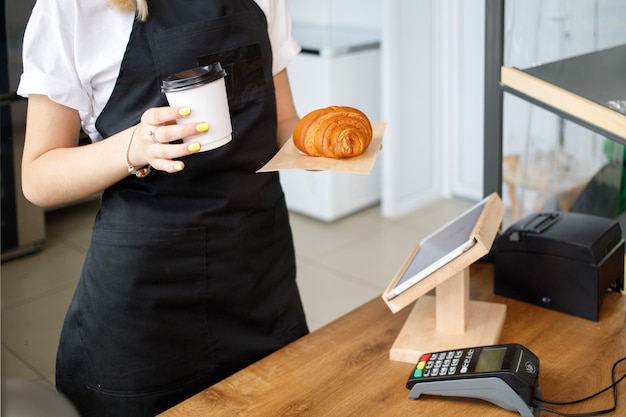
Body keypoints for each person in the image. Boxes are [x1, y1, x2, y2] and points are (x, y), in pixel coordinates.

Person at [17, 0, 309, 415]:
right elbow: (38, 177)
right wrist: (134, 146)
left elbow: (283, 123)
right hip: (149, 295)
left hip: (259, 267)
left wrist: (322, 138)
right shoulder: (71, 7)